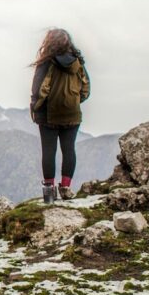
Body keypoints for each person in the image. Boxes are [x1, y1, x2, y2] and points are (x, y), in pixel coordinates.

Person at [29, 28, 90, 203]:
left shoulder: (46, 63)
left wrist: (36, 108)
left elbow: (38, 89)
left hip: (48, 115)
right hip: (72, 115)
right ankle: (65, 187)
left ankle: (49, 193)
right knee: (69, 149)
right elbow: (85, 89)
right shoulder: (78, 63)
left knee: (49, 151)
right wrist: (73, 103)